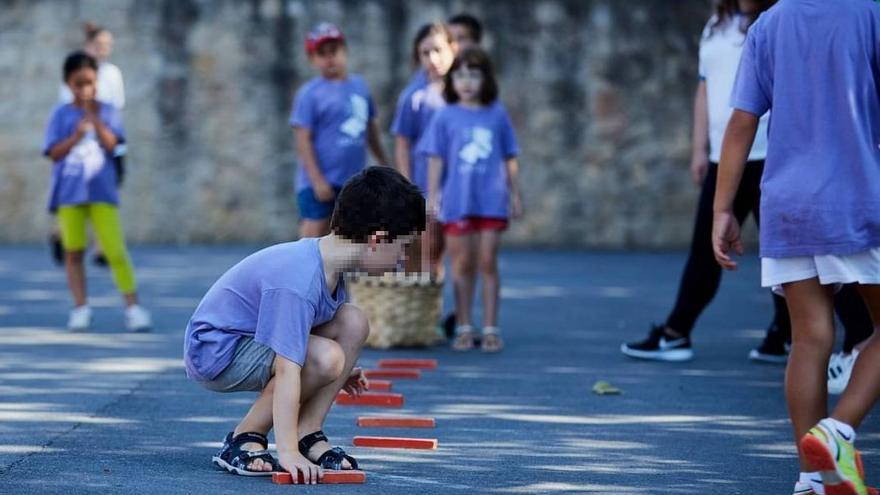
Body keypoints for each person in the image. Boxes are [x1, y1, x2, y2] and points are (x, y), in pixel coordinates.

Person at [620, 0, 874, 367]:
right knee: (734, 253)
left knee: (818, 257)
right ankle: (681, 332)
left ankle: (843, 343)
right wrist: (698, 149)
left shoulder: (775, 23)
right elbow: (705, 91)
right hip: (730, 156)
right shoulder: (718, 28)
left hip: (773, 155)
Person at [713, 1, 880, 493]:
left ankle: (813, 478)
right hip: (855, 197)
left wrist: (723, 209)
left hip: (786, 201)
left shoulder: (770, 23)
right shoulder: (870, 13)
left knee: (809, 338)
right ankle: (835, 432)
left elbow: (742, 121)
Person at [184, 167, 425, 483]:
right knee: (326, 358)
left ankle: (307, 433)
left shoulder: (332, 269)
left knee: (353, 321)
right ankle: (246, 435)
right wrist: (287, 455)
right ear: (378, 240)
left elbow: (304, 334)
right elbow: (288, 368)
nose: (404, 259)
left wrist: (332, 372)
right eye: (403, 247)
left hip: (251, 339)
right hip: (217, 351)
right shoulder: (299, 280)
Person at [420, 47, 522, 353]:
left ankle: (491, 327)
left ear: (485, 78)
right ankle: (464, 326)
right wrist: (432, 196)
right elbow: (436, 159)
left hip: (490, 200)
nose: (466, 82)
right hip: (457, 201)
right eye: (460, 75)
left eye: (473, 75)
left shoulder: (497, 113)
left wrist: (515, 194)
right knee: (461, 264)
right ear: (452, 80)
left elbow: (509, 156)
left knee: (488, 262)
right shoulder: (445, 115)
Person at [43, 51, 151, 332]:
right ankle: (80, 308)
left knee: (115, 250)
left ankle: (133, 308)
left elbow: (115, 145)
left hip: (102, 191)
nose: (85, 89)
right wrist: (75, 137)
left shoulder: (108, 111)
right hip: (70, 192)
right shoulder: (60, 114)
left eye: (90, 82)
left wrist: (96, 120)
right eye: (78, 83)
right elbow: (53, 153)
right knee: (73, 251)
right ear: (68, 84)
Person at [290, 23, 389, 239]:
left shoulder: (360, 87)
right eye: (321, 53)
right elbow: (303, 141)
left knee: (348, 241)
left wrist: (384, 162)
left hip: (352, 182)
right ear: (312, 59)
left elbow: (369, 130)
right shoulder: (309, 94)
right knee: (312, 242)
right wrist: (317, 180)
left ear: (344, 50)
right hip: (319, 183)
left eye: (333, 51)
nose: (329, 58)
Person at [52, 22, 127, 266]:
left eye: (107, 45)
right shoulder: (76, 72)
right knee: (75, 193)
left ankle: (99, 249)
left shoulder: (113, 73)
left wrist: (112, 135)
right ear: (88, 45)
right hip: (81, 143)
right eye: (99, 45)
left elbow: (117, 106)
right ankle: (60, 234)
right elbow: (68, 107)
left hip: (104, 136)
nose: (103, 49)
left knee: (105, 190)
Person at [391, 22, 455, 274]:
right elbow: (402, 142)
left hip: (460, 186)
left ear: (453, 48)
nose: (433, 58)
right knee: (428, 252)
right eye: (425, 53)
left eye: (438, 50)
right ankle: (425, 311)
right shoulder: (413, 96)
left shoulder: (465, 91)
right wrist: (408, 188)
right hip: (427, 185)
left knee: (460, 256)